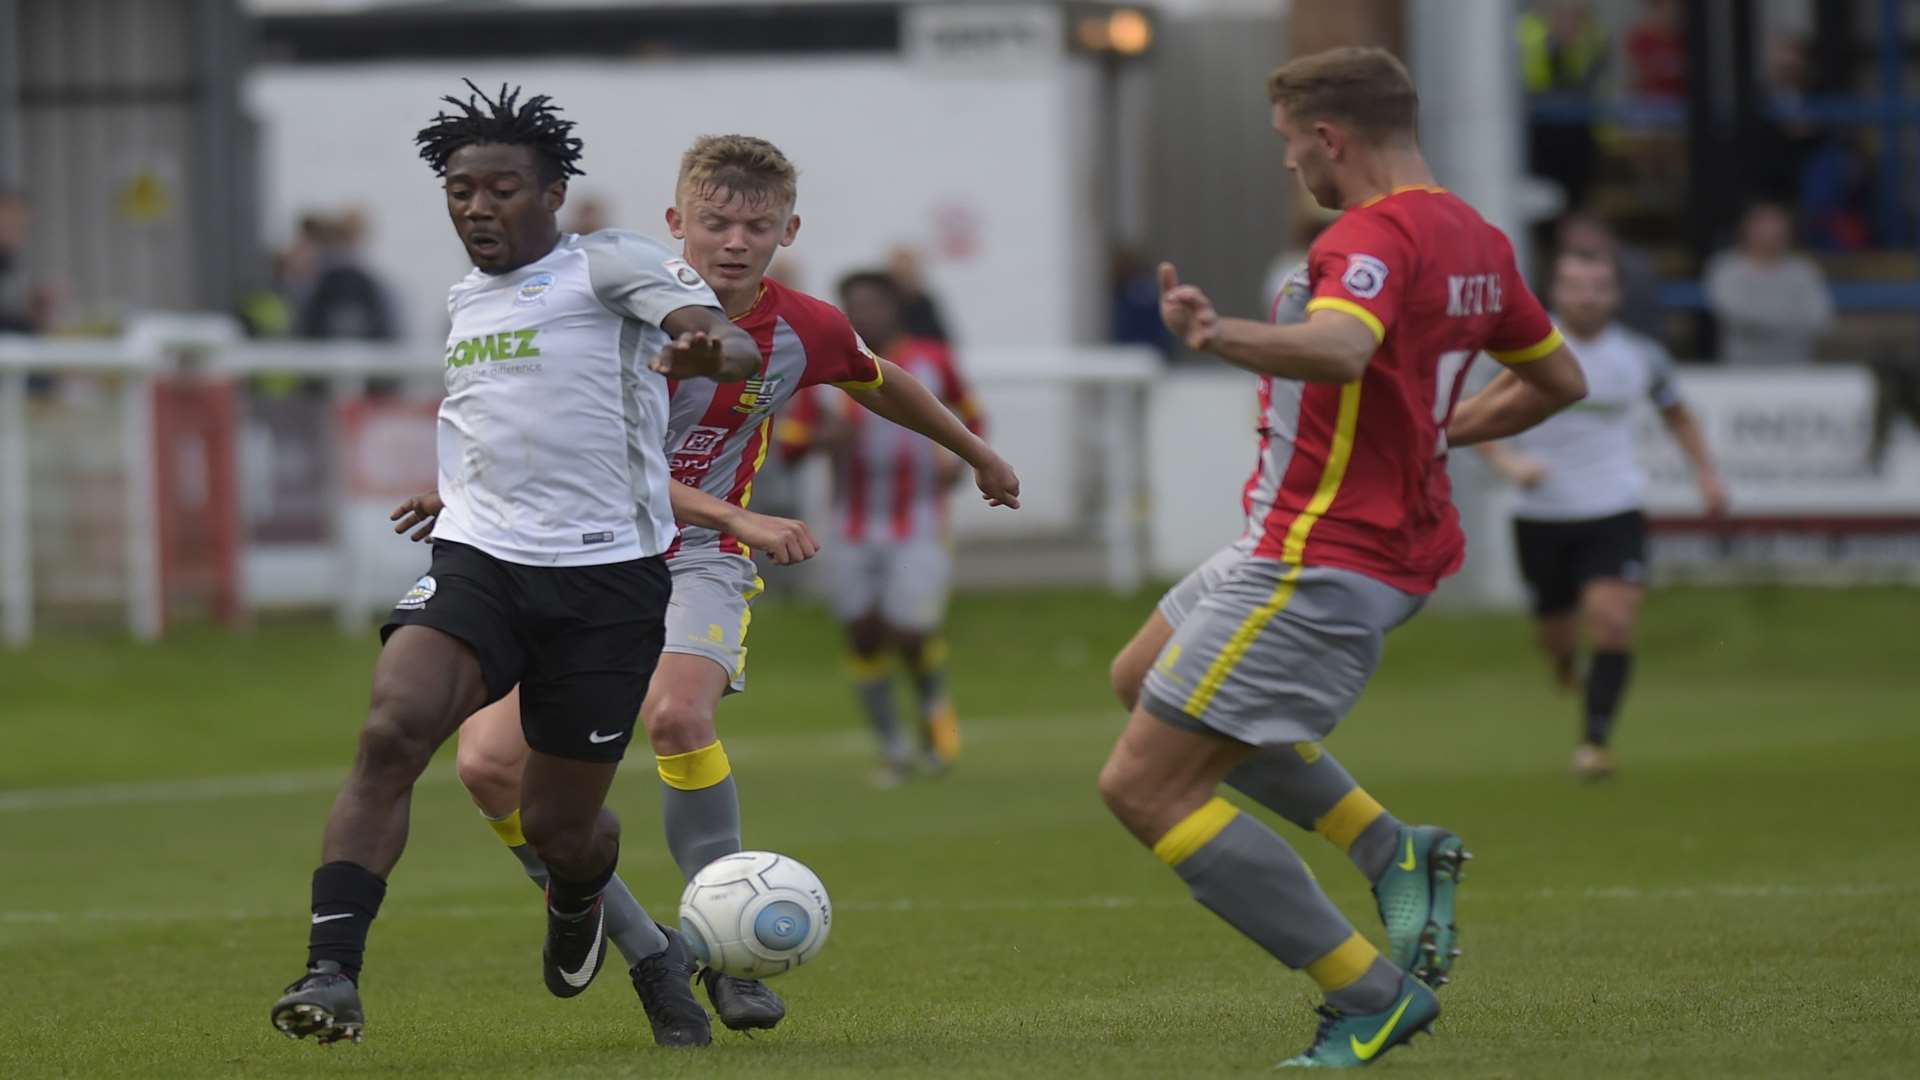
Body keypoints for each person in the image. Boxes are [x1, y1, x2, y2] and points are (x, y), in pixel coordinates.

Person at [448, 135, 1021, 1040]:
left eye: (757, 226)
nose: (734, 242)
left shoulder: (803, 326)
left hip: (693, 561)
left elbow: (875, 377)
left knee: (678, 717)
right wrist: (743, 518)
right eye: (714, 222)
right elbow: (598, 460)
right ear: (676, 225)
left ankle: (723, 952)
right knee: (487, 766)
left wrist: (974, 451)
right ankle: (646, 948)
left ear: (788, 231)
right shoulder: (613, 312)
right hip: (572, 554)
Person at [1097, 47, 1588, 1068]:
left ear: (1331, 138)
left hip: (1323, 560)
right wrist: (1435, 434)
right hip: (1315, 540)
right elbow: (1557, 379)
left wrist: (1217, 334)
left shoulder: (1368, 238)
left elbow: (1341, 348)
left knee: (1146, 790)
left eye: (1288, 144)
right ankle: (1390, 847)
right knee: (1138, 674)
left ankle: (1368, 993)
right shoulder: (1478, 239)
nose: (1288, 166)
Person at [268, 82, 763, 1048]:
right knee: (391, 731)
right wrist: (454, 491)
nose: (477, 209)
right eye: (460, 192)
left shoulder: (608, 262)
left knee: (563, 833)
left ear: (552, 194)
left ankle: (624, 933)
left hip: (607, 585)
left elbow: (726, 341)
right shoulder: (464, 298)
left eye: (501, 191)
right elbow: (510, 420)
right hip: (481, 562)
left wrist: (709, 347)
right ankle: (331, 973)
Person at [1477, 252, 1727, 780]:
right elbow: (1470, 417)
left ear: (1615, 295)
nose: (1586, 296)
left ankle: (1595, 743)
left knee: (1612, 621)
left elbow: (1677, 414)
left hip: (1613, 506)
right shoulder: (1520, 348)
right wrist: (1509, 463)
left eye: (1598, 286)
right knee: (1557, 636)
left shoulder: (1641, 357)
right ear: (1556, 291)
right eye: (1575, 285)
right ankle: (1566, 666)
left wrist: (1706, 473)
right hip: (1540, 513)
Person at [780, 270, 985, 786]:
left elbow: (971, 417)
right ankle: (892, 748)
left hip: (918, 518)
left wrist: (961, 460)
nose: (866, 313)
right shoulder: (824, 368)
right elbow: (791, 444)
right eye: (855, 305)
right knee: (864, 634)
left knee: (910, 631)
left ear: (894, 307)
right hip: (850, 522)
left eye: (875, 302)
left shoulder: (933, 361)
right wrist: (826, 439)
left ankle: (936, 718)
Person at [1705, 201, 1834, 366]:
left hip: (1797, 372)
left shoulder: (1804, 270)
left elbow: (1821, 319)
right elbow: (1732, 314)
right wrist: (1792, 320)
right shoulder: (1725, 267)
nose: (1770, 235)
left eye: (1777, 230)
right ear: (1747, 230)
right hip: (1740, 372)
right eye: (1763, 228)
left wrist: (1761, 321)